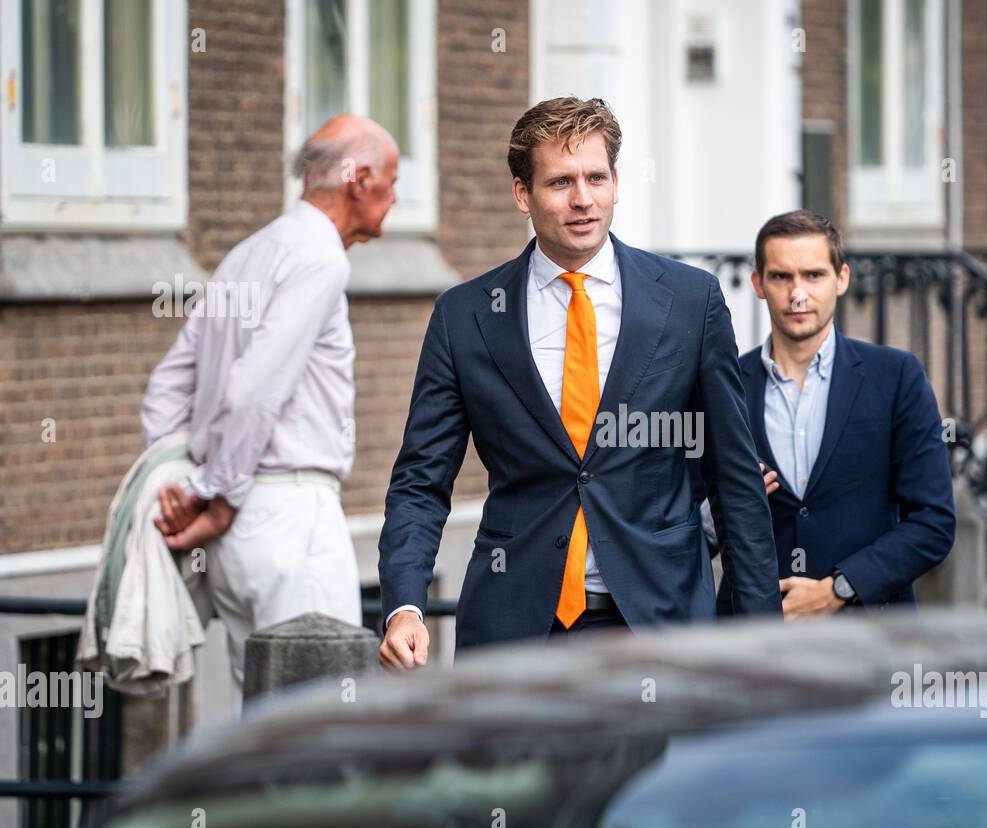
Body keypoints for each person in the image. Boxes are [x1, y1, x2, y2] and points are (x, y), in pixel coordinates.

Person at [378, 96, 781, 667]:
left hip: (658, 623)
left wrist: (765, 635)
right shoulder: (465, 315)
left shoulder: (691, 301)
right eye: (560, 182)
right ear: (524, 194)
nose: (583, 199)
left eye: (596, 177)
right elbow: (421, 480)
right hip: (516, 628)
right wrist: (405, 606)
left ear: (617, 182)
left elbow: (735, 477)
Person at [141, 114, 400, 697]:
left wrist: (180, 484)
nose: (396, 195)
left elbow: (167, 386)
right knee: (319, 713)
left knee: (260, 716)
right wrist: (218, 493)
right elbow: (254, 388)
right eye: (391, 178)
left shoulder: (249, 253)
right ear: (357, 179)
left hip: (236, 540)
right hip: (289, 516)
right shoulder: (321, 259)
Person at [710, 211, 955, 618]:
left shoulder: (896, 378)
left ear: (841, 279)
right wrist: (724, 498)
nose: (797, 294)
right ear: (758, 283)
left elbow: (933, 523)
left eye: (813, 275)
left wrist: (839, 589)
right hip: (752, 639)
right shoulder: (723, 385)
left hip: (872, 636)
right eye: (781, 277)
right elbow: (683, 521)